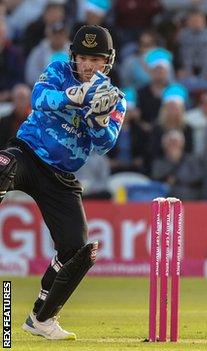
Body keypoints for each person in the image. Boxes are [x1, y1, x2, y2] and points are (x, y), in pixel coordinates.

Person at [0, 25, 125, 340]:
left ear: (107, 62)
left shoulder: (115, 100)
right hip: (27, 153)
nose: (87, 65)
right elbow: (39, 99)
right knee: (1, 167)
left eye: (95, 59)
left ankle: (41, 319)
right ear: (74, 57)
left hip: (61, 177)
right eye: (83, 57)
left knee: (79, 251)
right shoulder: (58, 70)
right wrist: (78, 95)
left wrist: (96, 119)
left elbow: (105, 144)